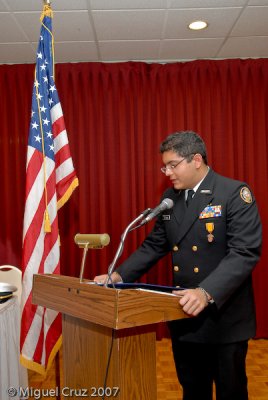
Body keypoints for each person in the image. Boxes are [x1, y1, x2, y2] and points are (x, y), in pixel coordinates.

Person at [94, 130, 262, 400]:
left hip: (224, 317)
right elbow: (154, 245)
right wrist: (118, 275)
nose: (167, 172)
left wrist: (206, 292)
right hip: (184, 315)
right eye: (165, 166)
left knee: (232, 392)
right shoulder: (171, 199)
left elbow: (244, 252)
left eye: (173, 165)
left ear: (196, 159)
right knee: (193, 391)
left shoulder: (233, 193)